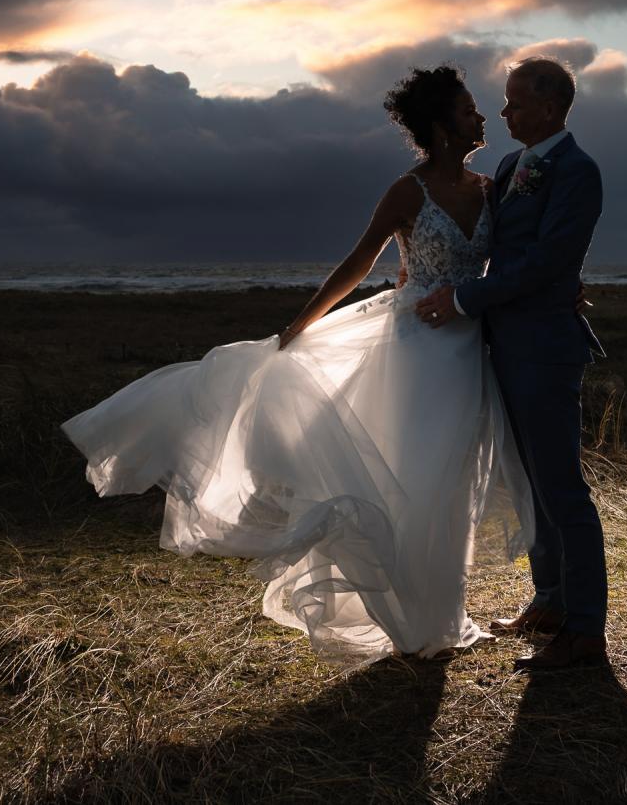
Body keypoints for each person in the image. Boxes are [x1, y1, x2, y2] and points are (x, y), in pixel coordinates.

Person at [62, 64, 535, 666]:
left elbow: (521, 258)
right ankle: (415, 621)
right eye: (469, 109)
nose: (482, 117)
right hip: (416, 352)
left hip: (470, 348)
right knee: (418, 479)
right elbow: (358, 264)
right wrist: (300, 324)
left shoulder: (489, 188)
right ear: (443, 126)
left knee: (457, 482)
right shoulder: (406, 192)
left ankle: (444, 616)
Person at [416, 56, 608, 672]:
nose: (503, 114)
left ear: (550, 109)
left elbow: (549, 258)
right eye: (502, 102)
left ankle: (584, 631)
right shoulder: (507, 166)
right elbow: (498, 246)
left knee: (561, 488)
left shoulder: (577, 171)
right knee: (529, 485)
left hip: (546, 350)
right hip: (504, 343)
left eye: (516, 104)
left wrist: (466, 298)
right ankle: (548, 602)